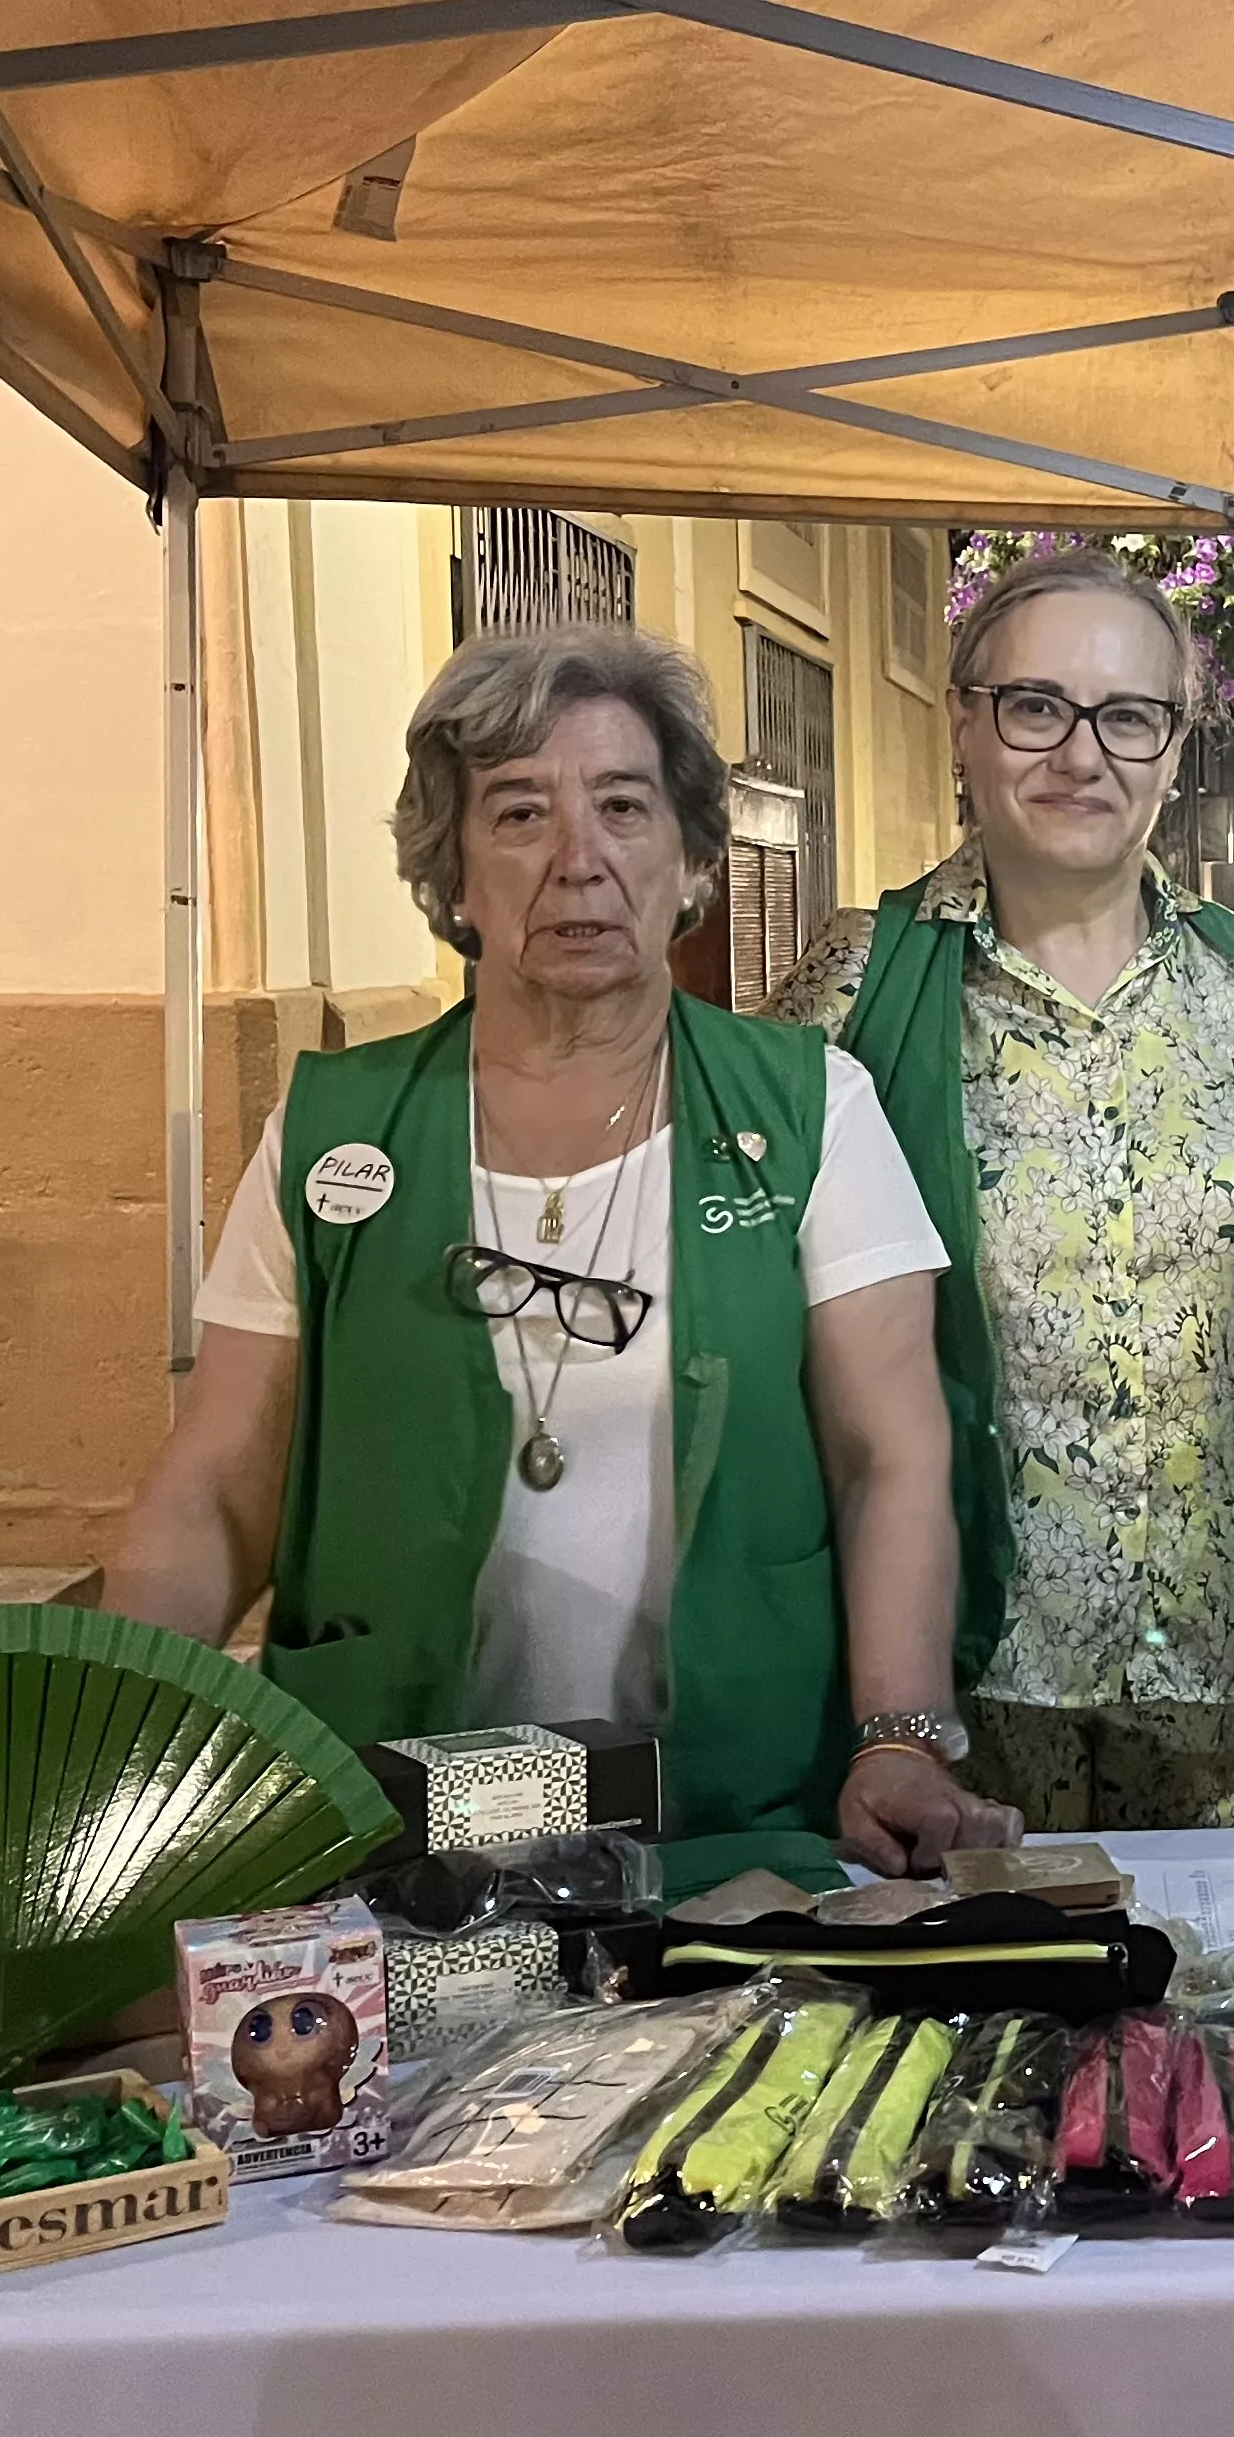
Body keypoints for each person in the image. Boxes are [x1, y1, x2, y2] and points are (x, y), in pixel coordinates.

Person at [103, 625, 1017, 1881]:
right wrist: (118, 1740)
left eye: (625, 808)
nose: (579, 862)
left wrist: (899, 1736)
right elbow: (216, 1483)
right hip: (398, 1825)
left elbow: (890, 1455)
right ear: (454, 874)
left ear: (693, 858)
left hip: (723, 1827)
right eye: (521, 813)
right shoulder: (334, 1132)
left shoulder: (812, 1109)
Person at [774, 544, 1234, 1834]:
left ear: (1175, 748)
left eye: (1128, 717)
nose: (1082, 755)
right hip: (969, 1694)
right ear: (963, 718)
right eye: (1036, 706)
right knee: (998, 2028)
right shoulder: (851, 993)